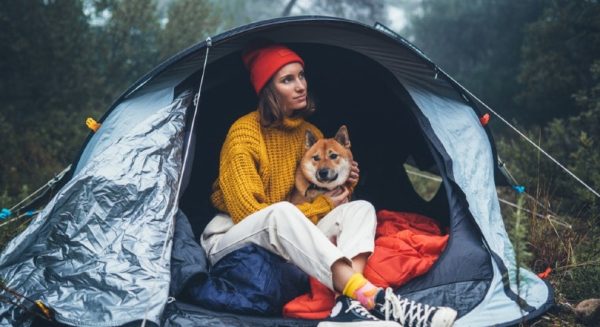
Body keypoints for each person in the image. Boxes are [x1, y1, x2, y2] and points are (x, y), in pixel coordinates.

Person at [200, 42, 457, 327]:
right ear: (268, 90)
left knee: (360, 209)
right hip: (231, 235)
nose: (300, 86)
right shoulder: (244, 134)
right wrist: (322, 205)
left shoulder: (311, 134)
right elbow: (251, 214)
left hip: (286, 232)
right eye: (288, 80)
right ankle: (372, 298)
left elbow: (306, 203)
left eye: (301, 75)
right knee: (280, 213)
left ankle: (346, 306)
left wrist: (343, 183)